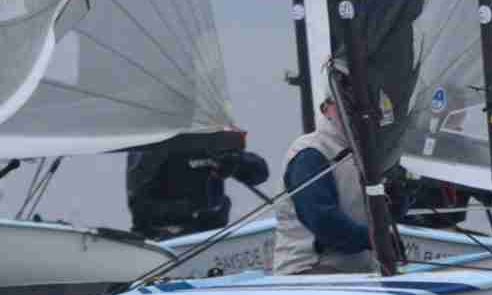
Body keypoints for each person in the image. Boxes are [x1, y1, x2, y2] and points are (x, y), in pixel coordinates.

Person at [272, 59, 378, 275]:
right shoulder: (309, 154)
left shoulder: (369, 153)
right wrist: (375, 239)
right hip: (308, 272)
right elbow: (324, 222)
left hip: (357, 273)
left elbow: (389, 210)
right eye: (345, 105)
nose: (353, 113)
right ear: (325, 109)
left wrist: (402, 196)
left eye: (358, 106)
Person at [125, 129, 270, 238]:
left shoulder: (212, 139)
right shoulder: (153, 141)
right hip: (161, 236)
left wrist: (237, 160)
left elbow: (260, 175)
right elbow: (138, 195)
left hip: (209, 235)